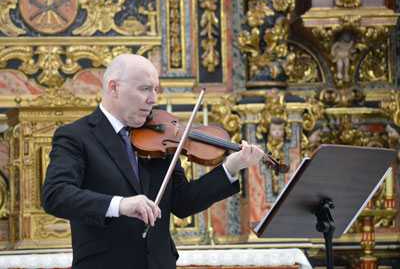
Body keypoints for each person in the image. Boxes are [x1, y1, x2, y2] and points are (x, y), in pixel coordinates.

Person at [41, 54, 265, 269]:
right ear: (114, 88)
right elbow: (55, 194)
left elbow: (182, 202)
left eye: (155, 90)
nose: (154, 99)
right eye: (145, 89)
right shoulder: (76, 136)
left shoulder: (161, 139)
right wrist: (120, 205)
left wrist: (231, 167)